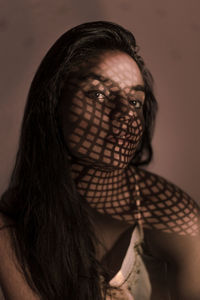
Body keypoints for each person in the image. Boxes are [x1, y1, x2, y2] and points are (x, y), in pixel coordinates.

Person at [0, 21, 200, 300]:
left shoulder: (174, 218)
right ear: (55, 104)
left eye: (134, 101)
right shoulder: (14, 219)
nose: (124, 115)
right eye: (98, 94)